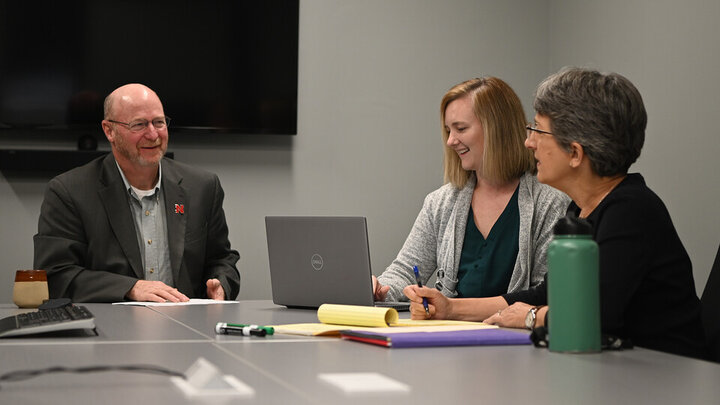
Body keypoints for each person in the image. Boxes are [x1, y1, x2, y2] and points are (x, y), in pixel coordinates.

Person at [405, 68, 707, 359]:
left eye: (537, 130)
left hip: (662, 379)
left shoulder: (631, 210)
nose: (528, 142)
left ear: (574, 153)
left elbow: (592, 316)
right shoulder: (583, 211)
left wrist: (532, 317)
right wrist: (451, 309)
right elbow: (546, 294)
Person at [33, 83, 240, 303]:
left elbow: (222, 259)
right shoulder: (69, 191)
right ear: (109, 131)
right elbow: (55, 276)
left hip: (188, 326)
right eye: (139, 124)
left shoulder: (202, 187)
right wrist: (130, 288)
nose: (153, 134)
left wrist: (221, 283)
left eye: (159, 122)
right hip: (109, 329)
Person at [373, 77, 569, 305]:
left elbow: (545, 294)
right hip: (450, 334)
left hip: (517, 337)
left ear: (498, 129)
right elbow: (405, 270)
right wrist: (381, 288)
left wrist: (457, 310)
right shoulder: (440, 202)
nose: (450, 141)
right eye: (448, 130)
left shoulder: (551, 203)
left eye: (461, 129)